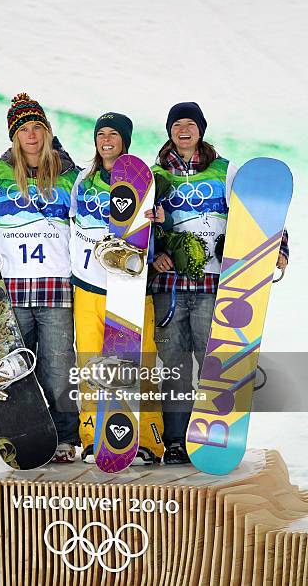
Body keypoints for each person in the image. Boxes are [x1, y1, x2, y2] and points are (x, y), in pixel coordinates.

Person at [150, 102, 289, 464]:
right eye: (177, 124)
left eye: (190, 124)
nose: (183, 129)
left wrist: (280, 250)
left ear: (201, 130)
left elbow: (257, 212)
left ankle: (211, 435)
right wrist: (154, 256)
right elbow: (135, 226)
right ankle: (177, 441)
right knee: (175, 366)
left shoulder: (225, 171)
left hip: (215, 285)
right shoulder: (153, 175)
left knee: (212, 365)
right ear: (169, 131)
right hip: (169, 290)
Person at [0, 93, 80, 462]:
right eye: (24, 130)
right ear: (14, 136)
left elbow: (94, 220)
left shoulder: (70, 176)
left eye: (37, 127)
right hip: (13, 291)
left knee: (58, 367)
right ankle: (27, 435)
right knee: (20, 368)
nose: (32, 136)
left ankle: (66, 437)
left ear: (47, 131)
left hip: (56, 290)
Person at [70, 112, 172, 464]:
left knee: (137, 365)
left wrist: (161, 222)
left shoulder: (145, 181)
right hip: (88, 287)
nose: (107, 140)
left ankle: (146, 440)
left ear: (125, 141)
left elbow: (164, 226)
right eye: (101, 134)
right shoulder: (81, 181)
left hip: (130, 288)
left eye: (114, 134)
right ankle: (91, 437)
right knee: (90, 366)